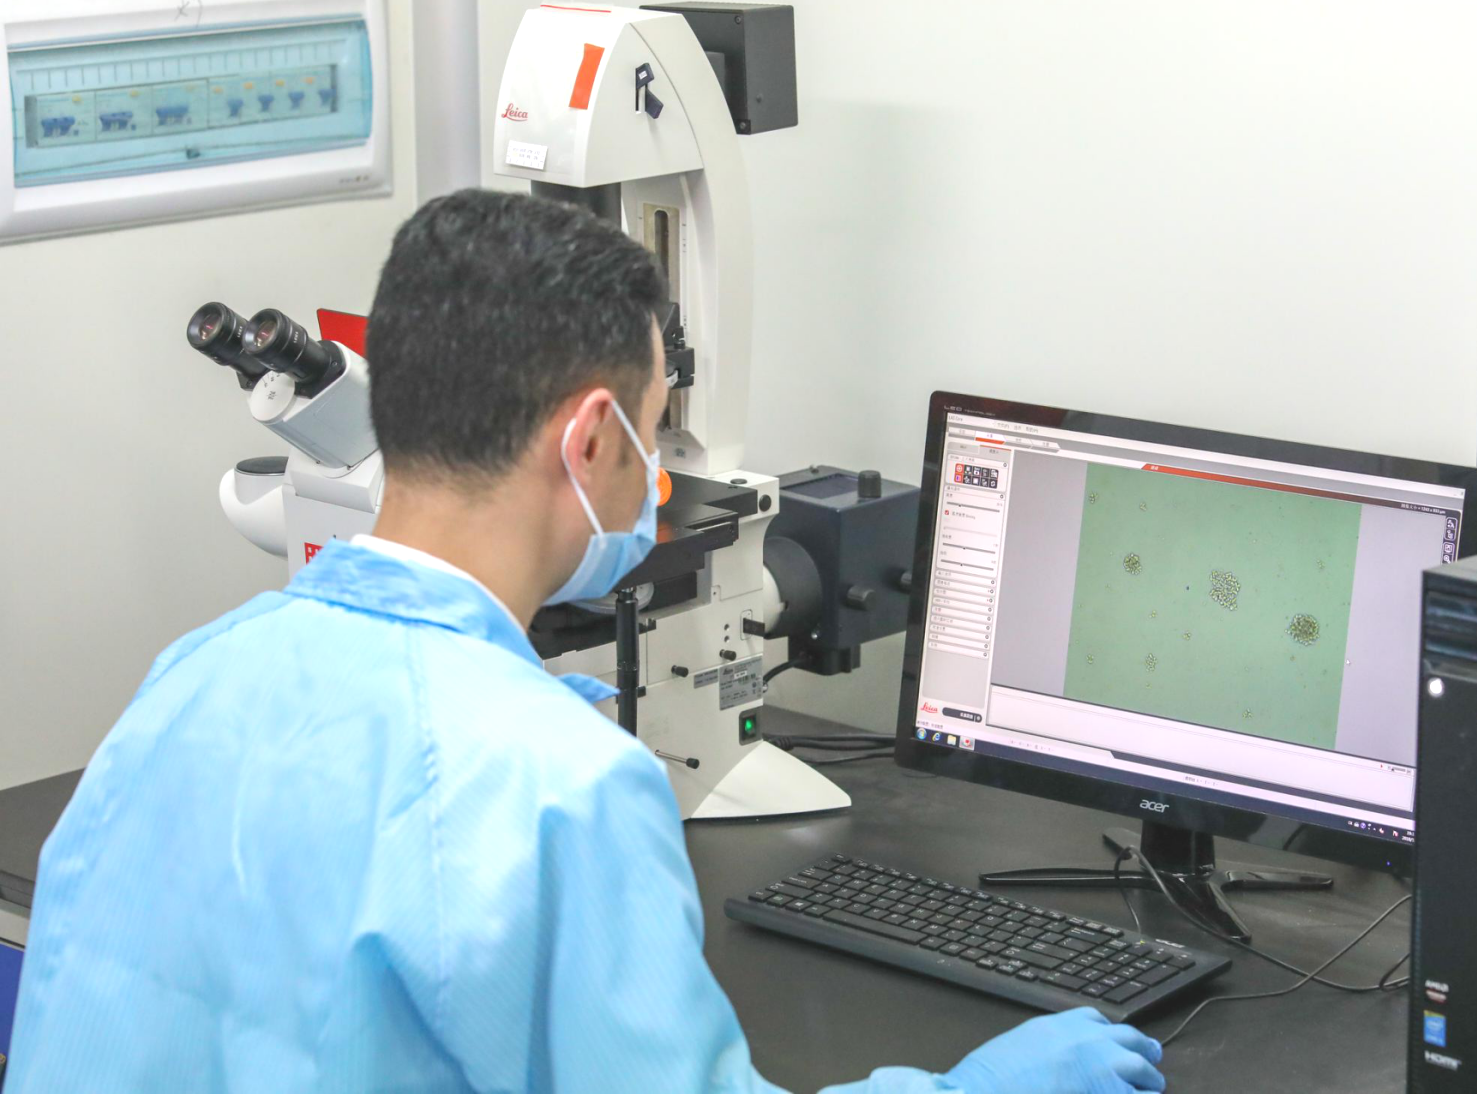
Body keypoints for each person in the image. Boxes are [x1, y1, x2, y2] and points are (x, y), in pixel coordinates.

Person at [6, 190, 1166, 1094]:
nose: (659, 478)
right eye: (657, 432)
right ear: (595, 438)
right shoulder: (558, 788)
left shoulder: (189, 678)